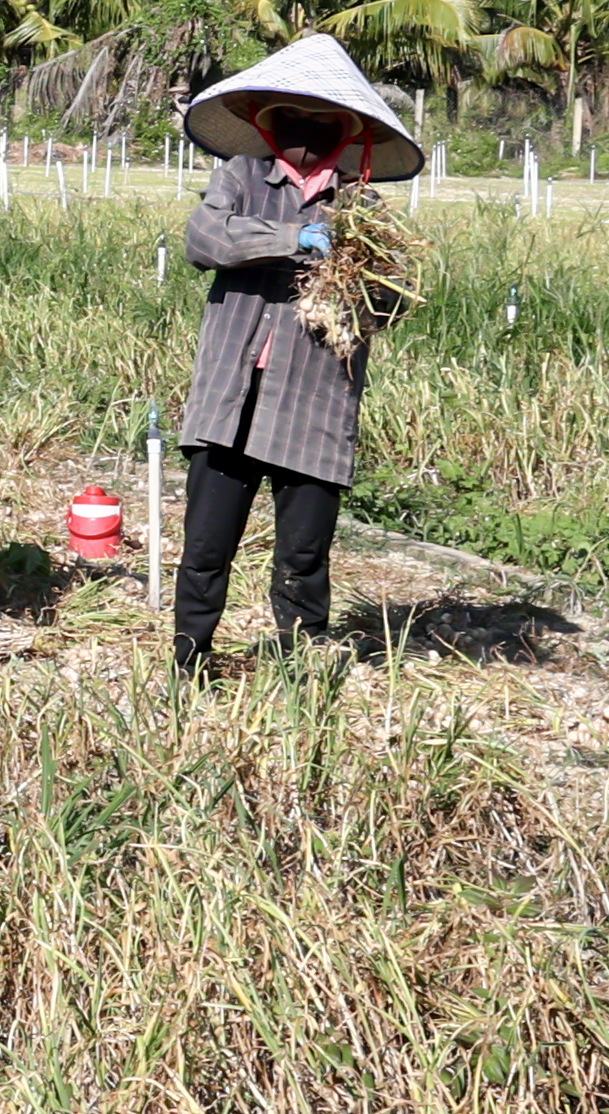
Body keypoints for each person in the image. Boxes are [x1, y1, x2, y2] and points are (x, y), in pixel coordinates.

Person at [171, 34, 424, 675]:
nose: (306, 134)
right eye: (294, 119)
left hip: (312, 401)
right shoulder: (240, 177)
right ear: (271, 121)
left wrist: (357, 277)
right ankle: (190, 660)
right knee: (206, 546)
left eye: (323, 124)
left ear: (345, 133)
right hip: (231, 394)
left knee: (305, 554)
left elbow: (389, 302)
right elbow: (206, 239)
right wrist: (290, 238)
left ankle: (301, 670)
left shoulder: (360, 205)